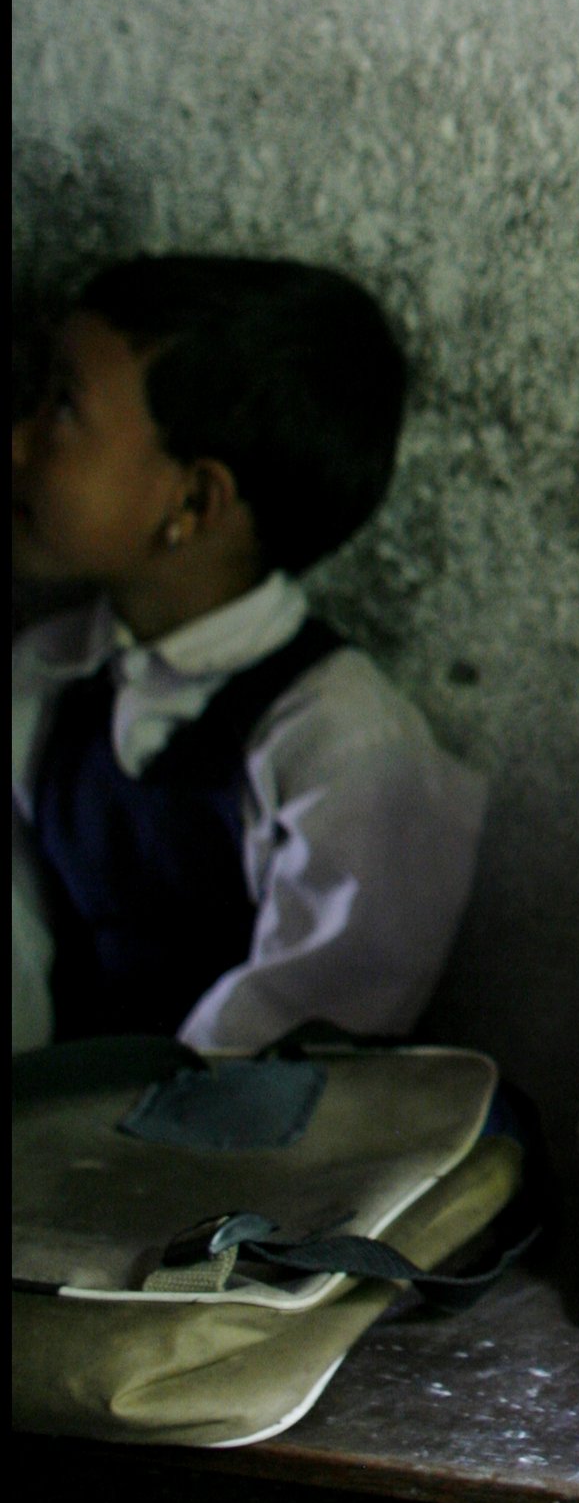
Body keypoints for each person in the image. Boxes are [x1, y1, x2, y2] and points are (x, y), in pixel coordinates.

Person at [12, 256, 484, 1056]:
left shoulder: (343, 742)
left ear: (194, 502)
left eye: (63, 407)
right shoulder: (46, 676)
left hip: (253, 1127)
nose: (18, 441)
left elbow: (305, 1033)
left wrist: (132, 1124)